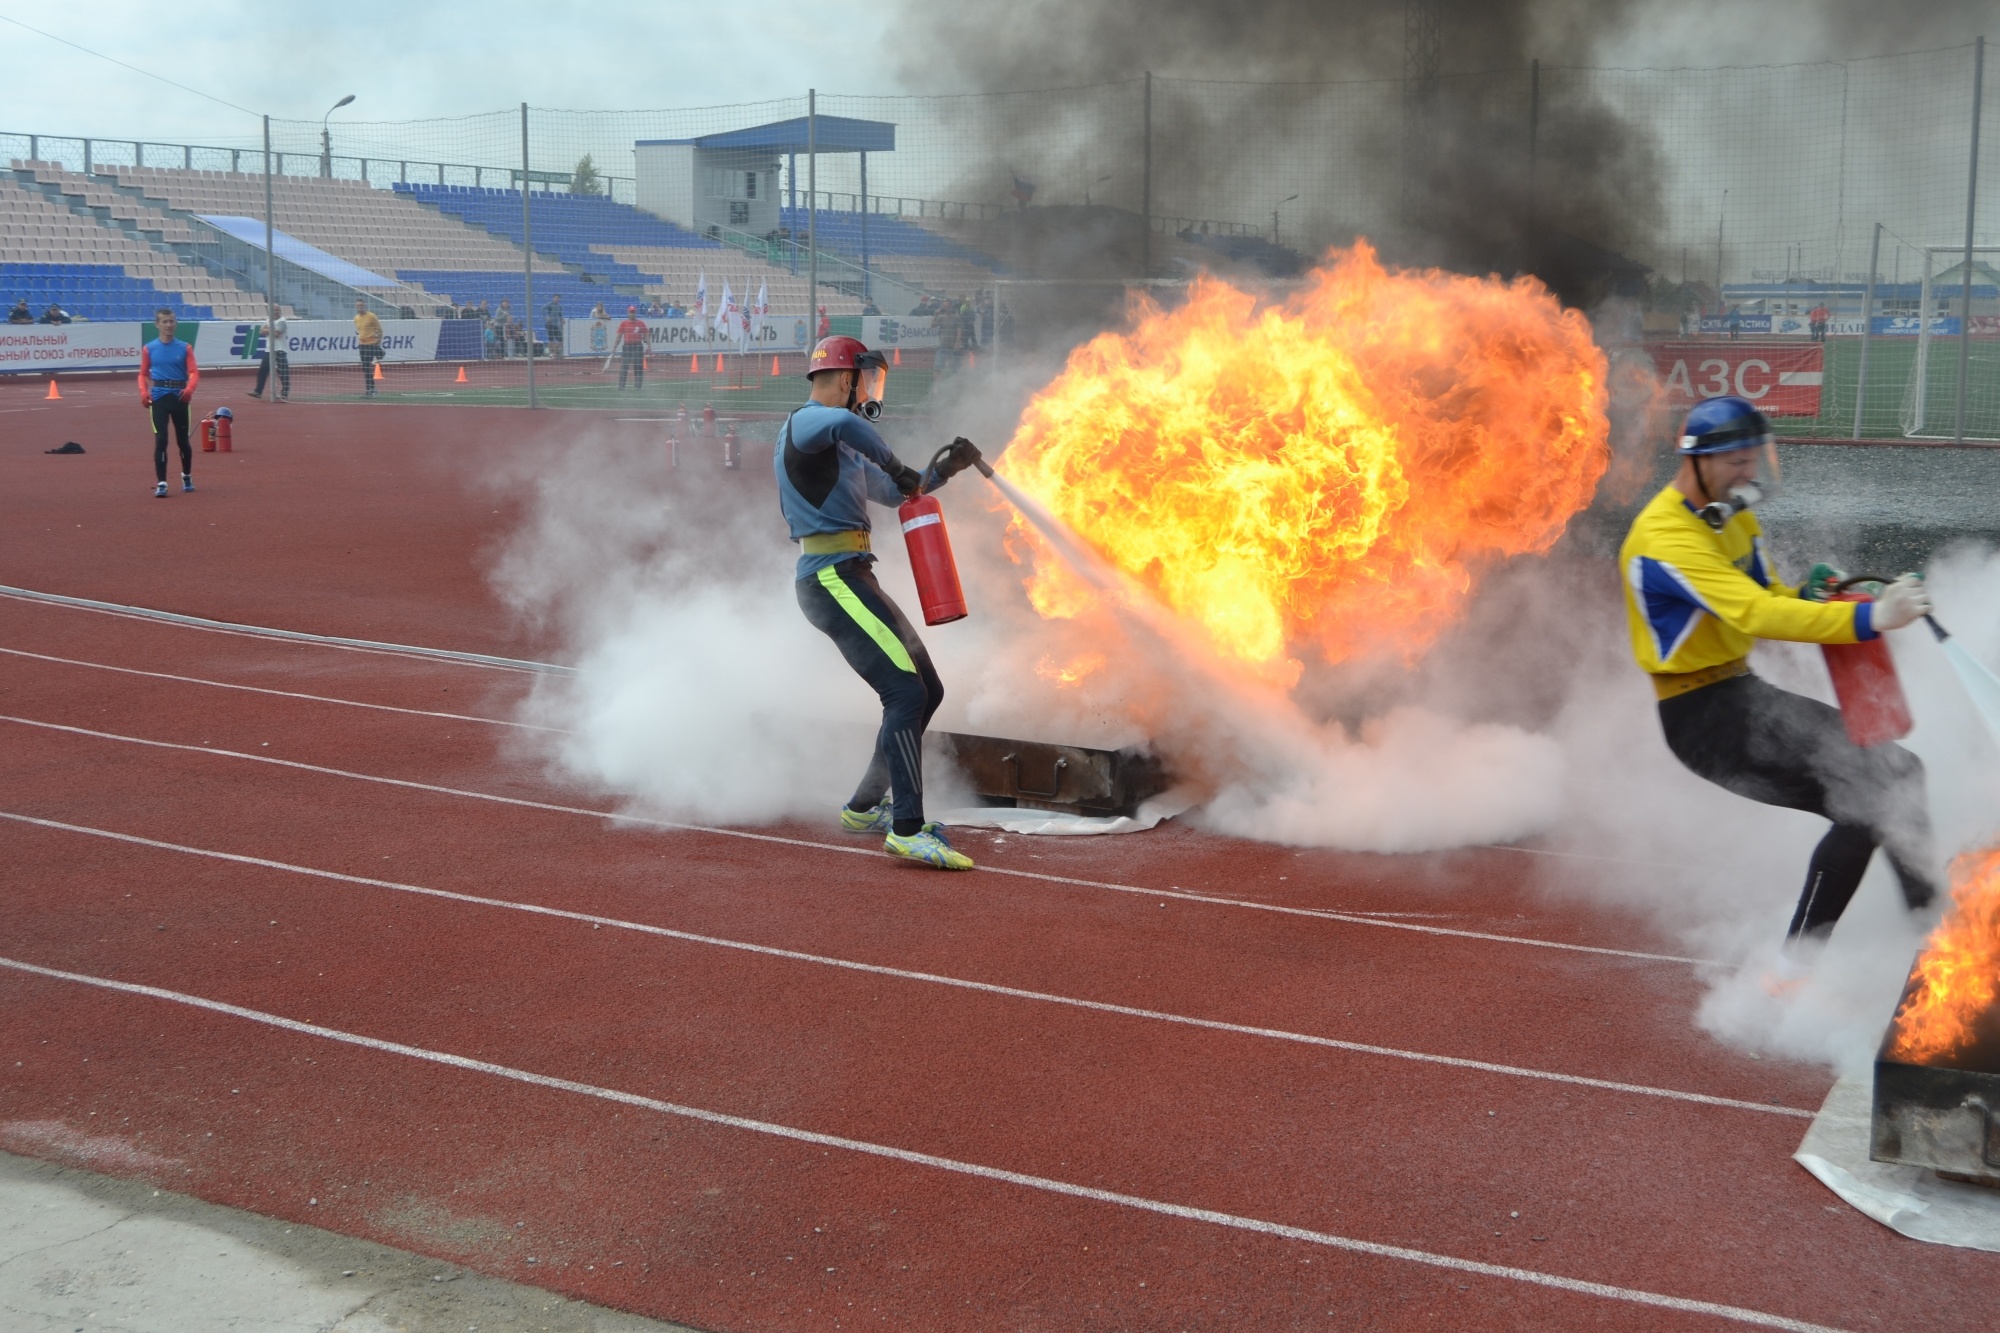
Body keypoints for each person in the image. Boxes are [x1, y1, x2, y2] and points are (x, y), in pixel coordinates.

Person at [1621, 395, 1939, 945]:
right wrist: (1873, 617)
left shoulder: (1732, 521)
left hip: (1741, 694)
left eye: (1753, 459)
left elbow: (1769, 595)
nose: (1750, 473)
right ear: (1695, 460)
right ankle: (1799, 964)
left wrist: (1813, 594)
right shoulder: (1665, 538)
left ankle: (1930, 927)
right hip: (1702, 717)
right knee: (1868, 792)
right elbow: (1756, 613)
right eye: (1737, 462)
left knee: (1897, 775)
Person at [777, 335, 978, 870]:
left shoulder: (839, 443)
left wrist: (943, 470)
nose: (868, 391)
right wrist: (894, 461)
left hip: (852, 575)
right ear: (845, 379)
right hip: (831, 578)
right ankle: (906, 829)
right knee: (905, 693)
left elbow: (895, 494)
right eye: (865, 379)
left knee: (926, 689)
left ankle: (865, 808)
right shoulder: (809, 421)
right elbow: (851, 429)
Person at [137, 308, 199, 498]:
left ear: (176, 323)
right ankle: (162, 482)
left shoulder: (185, 347)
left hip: (180, 397)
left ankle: (186, 475)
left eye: (171, 321)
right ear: (157, 324)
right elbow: (143, 374)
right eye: (164, 322)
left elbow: (194, 372)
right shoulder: (149, 348)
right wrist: (143, 392)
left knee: (183, 441)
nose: (169, 325)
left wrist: (189, 390)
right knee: (161, 440)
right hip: (159, 399)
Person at [247, 314, 290, 401]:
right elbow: (261, 331)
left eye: (278, 310)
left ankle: (284, 393)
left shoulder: (282, 321)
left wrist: (267, 330)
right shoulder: (268, 320)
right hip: (269, 349)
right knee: (263, 370)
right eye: (275, 310)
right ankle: (258, 391)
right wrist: (270, 330)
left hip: (280, 349)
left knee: (283, 371)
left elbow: (277, 333)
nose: (276, 312)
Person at [354, 299, 384, 397]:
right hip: (362, 345)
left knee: (367, 366)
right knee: (365, 367)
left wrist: (377, 343)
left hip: (371, 344)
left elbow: (379, 330)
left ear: (365, 306)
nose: (360, 307)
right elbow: (359, 330)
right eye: (358, 306)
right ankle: (370, 389)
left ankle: (371, 389)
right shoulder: (356, 318)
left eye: (361, 305)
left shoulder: (371, 316)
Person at [615, 304, 647, 390]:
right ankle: (621, 386)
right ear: (628, 313)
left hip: (638, 346)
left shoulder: (641, 323)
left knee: (638, 367)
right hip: (627, 347)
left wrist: (649, 345)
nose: (632, 314)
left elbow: (646, 334)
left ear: (635, 313)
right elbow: (619, 336)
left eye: (633, 312)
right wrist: (614, 347)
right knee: (624, 366)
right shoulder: (624, 323)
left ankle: (638, 386)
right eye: (631, 312)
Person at [543, 294, 564, 359]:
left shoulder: (559, 306)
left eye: (558, 298)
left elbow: (560, 315)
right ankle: (551, 353)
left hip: (555, 325)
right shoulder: (550, 304)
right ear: (553, 298)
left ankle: (555, 353)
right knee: (551, 340)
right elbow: (542, 309)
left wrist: (561, 320)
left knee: (560, 340)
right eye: (556, 298)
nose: (557, 299)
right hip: (549, 324)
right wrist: (546, 316)